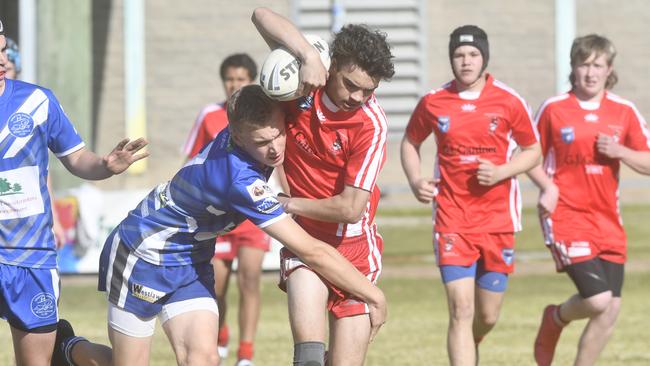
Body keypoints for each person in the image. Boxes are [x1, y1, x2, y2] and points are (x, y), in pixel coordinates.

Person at [54, 85, 387, 366]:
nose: (274, 149)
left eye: (278, 135)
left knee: (204, 359)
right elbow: (310, 251)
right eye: (261, 142)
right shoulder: (240, 180)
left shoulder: (248, 122)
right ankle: (68, 348)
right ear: (238, 137)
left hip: (192, 258)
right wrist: (373, 294)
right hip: (142, 254)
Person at [0, 22, 148, 366]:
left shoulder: (37, 101)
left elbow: (78, 159)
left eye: (3, 50)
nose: (1, 61)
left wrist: (106, 165)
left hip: (30, 256)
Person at [252, 8, 394, 366]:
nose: (359, 97)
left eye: (369, 90)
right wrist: (308, 54)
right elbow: (260, 15)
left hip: (354, 249)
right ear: (333, 67)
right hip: (305, 243)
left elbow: (350, 208)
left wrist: (289, 205)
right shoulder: (301, 85)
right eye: (351, 84)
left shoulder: (370, 125)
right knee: (310, 358)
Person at [400, 25, 541, 365]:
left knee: (487, 315)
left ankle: (471, 341)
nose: (466, 61)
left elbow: (532, 150)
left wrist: (503, 171)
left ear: (484, 58)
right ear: (451, 59)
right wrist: (416, 179)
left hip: (497, 221)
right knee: (461, 309)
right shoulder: (433, 101)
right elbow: (410, 142)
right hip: (452, 219)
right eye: (459, 55)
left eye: (473, 54)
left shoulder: (509, 100)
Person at [529, 34, 650, 366]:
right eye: (584, 64)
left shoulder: (623, 111)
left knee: (609, 310)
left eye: (597, 65)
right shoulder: (554, 109)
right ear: (574, 67)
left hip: (607, 220)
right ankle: (555, 318)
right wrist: (547, 187)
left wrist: (620, 151)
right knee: (597, 300)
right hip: (566, 216)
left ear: (609, 69)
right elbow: (527, 154)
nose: (591, 72)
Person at [182, 53, 269, 366]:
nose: (234, 84)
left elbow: (277, 159)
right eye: (230, 79)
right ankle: (219, 335)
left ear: (252, 81)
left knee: (250, 278)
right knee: (216, 284)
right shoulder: (209, 115)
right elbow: (191, 163)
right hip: (217, 218)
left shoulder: (266, 115)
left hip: (252, 215)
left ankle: (245, 354)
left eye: (241, 79)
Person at [3, 36, 66, 248]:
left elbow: (38, 175)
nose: (3, 66)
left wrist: (55, 218)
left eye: (10, 66)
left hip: (30, 242)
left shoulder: (33, 103)